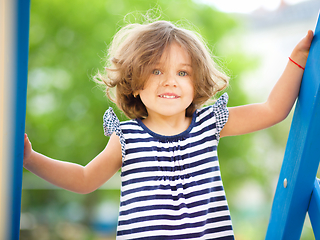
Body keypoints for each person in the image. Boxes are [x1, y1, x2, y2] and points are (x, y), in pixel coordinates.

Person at [23, 20, 314, 239]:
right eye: (156, 71)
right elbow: (85, 179)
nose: (171, 81)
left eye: (183, 72)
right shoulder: (127, 138)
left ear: (196, 82)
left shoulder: (209, 123)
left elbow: (272, 110)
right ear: (135, 83)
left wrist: (297, 61)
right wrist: (31, 159)